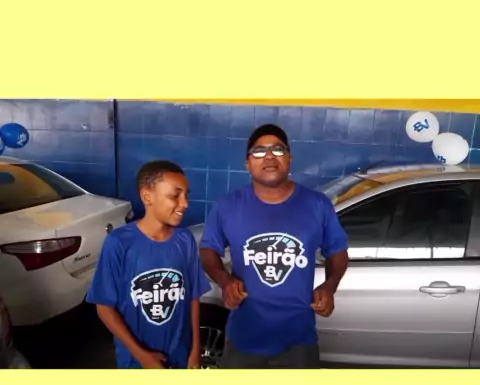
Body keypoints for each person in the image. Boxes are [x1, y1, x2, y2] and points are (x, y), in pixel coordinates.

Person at [200, 124, 349, 367]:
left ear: (289, 159)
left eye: (278, 150)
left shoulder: (317, 205)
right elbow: (208, 251)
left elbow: (338, 252)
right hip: (243, 338)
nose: (269, 156)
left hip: (299, 340)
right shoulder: (227, 206)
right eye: (259, 151)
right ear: (247, 163)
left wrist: (330, 285)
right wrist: (225, 281)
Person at [87, 160, 211, 369]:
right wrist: (142, 355)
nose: (185, 203)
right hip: (136, 362)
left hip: (181, 357)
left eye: (186, 195)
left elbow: (193, 297)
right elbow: (105, 308)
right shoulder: (119, 243)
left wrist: (195, 349)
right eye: (175, 196)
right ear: (147, 197)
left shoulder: (185, 240)